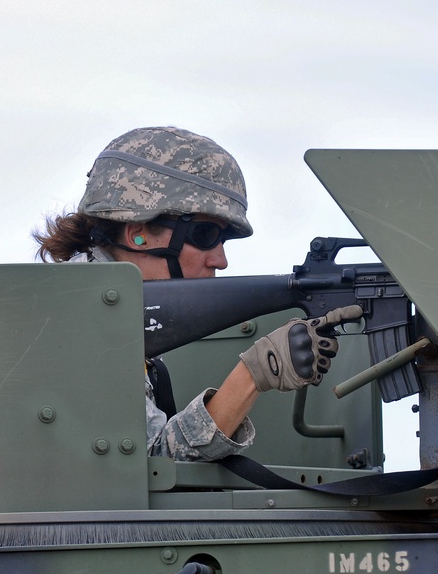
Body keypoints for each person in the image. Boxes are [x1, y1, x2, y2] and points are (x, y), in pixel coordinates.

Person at [35, 126, 361, 461]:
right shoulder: (79, 316)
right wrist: (254, 373)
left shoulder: (92, 303)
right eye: (204, 235)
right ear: (138, 234)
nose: (220, 259)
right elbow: (148, 466)